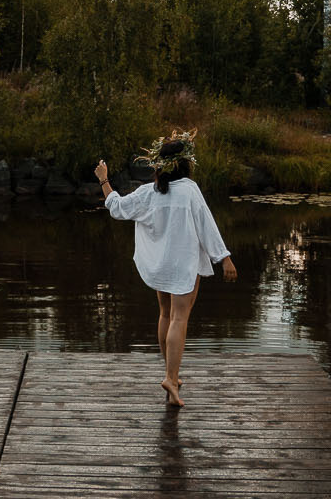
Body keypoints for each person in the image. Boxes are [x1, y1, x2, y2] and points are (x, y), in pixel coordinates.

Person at [95, 129, 236, 407]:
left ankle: (170, 373)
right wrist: (224, 258)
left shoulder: (148, 192)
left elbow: (117, 207)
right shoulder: (189, 190)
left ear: (159, 165)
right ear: (185, 164)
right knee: (179, 319)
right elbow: (206, 224)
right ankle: (171, 378)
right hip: (183, 265)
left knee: (165, 314)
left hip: (160, 264)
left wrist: (104, 179)